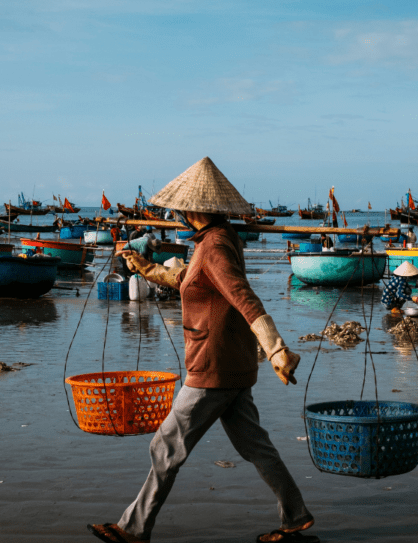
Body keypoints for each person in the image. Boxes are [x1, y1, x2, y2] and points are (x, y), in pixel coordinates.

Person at [94, 157, 314, 543]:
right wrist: (144, 266)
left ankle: (133, 529)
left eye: (180, 207)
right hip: (233, 366)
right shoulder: (218, 239)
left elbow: (242, 297)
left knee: (165, 446)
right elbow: (188, 278)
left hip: (211, 367)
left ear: (191, 209)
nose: (176, 212)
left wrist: (277, 350)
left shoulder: (214, 246)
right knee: (257, 448)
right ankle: (296, 518)